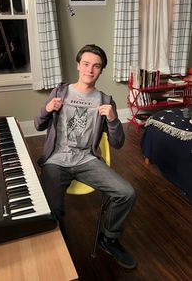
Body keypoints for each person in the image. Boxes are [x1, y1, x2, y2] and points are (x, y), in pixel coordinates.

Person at [34, 44, 137, 269]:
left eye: (96, 66)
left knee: (126, 192)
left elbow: (118, 143)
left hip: (86, 160)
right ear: (78, 65)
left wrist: (113, 120)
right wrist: (47, 108)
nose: (90, 70)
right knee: (52, 205)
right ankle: (59, 244)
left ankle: (108, 238)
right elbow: (38, 124)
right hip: (56, 160)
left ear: (101, 71)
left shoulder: (105, 100)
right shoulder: (60, 92)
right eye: (87, 64)